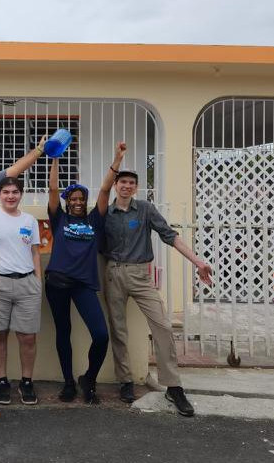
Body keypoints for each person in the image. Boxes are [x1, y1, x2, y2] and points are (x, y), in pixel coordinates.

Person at [102, 169, 213, 417]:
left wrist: (198, 262)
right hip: (113, 274)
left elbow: (170, 236)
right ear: (115, 186)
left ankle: (173, 387)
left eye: (132, 183)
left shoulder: (145, 209)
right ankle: (125, 381)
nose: (127, 186)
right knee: (118, 329)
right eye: (123, 182)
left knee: (162, 325)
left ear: (137, 188)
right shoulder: (105, 213)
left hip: (141, 275)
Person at [45, 142, 126, 404]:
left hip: (84, 285)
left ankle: (88, 378)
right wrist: (55, 158)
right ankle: (68, 382)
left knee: (100, 334)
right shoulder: (59, 219)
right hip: (57, 282)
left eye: (81, 199)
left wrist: (117, 159)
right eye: (74, 199)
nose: (78, 202)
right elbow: (53, 189)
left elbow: (104, 189)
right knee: (63, 332)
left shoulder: (94, 221)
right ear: (68, 202)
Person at [0, 177, 42, 405]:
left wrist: (37, 281)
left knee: (28, 336)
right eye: (6, 192)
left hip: (27, 283)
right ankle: (2, 381)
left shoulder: (30, 220)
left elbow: (35, 253)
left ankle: (26, 381)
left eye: (15, 192)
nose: (10, 196)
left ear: (20, 194)